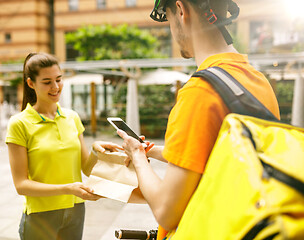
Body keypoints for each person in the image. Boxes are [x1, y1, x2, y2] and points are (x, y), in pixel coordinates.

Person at [117, 0, 280, 239]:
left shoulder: (199, 92)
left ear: (181, 11)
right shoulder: (256, 80)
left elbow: (166, 211)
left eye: (168, 18)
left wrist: (137, 156)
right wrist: (153, 151)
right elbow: (223, 156)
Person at [5, 52, 121, 240]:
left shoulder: (72, 117)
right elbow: (21, 185)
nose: (55, 87)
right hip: (40, 216)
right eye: (47, 82)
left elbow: (86, 167)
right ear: (30, 83)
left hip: (75, 212)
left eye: (58, 79)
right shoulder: (19, 123)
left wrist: (96, 151)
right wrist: (67, 188)